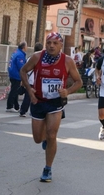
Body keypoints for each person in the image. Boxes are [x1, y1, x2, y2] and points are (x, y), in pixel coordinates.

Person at [19, 32, 82, 182]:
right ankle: (45, 139)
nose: (51, 46)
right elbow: (23, 71)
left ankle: (48, 169)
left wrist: (67, 91)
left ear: (61, 45)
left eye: (55, 43)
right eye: (49, 43)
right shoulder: (36, 57)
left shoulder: (67, 61)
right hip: (38, 101)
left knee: (52, 134)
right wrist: (29, 90)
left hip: (55, 103)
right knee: (37, 138)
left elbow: (78, 82)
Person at [19, 42, 43, 117]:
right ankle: (30, 111)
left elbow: (25, 70)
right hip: (36, 80)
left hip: (30, 80)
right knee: (34, 97)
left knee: (28, 96)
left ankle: (23, 111)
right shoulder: (41, 58)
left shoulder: (30, 57)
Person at [6, 41, 27, 112]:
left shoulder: (16, 52)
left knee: (15, 90)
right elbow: (21, 67)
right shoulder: (20, 55)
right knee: (14, 90)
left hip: (12, 72)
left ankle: (16, 106)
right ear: (24, 47)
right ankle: (9, 106)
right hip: (16, 74)